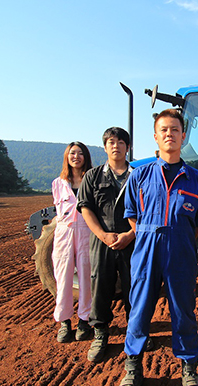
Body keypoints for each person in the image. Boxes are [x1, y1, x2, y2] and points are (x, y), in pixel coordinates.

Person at [115, 109, 198, 386]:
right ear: (155, 136)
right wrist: (150, 235)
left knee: (183, 311)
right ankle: (133, 368)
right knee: (140, 310)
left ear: (183, 136)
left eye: (175, 129)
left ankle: (189, 368)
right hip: (146, 252)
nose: (170, 134)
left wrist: (175, 237)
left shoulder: (196, 179)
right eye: (164, 130)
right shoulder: (139, 176)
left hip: (181, 251)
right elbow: (131, 215)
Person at [77, 127, 148, 363]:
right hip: (102, 242)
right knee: (100, 287)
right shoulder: (93, 176)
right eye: (110, 142)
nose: (115, 146)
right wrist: (102, 235)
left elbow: (147, 211)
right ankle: (100, 333)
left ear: (127, 147)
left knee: (134, 288)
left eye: (120, 142)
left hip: (133, 241)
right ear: (105, 147)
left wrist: (130, 234)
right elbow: (86, 208)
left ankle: (135, 332)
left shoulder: (140, 175)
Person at [51, 141, 94, 343]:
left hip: (86, 231)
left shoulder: (92, 180)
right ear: (67, 157)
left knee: (86, 278)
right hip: (65, 233)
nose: (76, 157)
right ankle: (64, 321)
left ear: (86, 157)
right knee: (63, 279)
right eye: (72, 153)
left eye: (80, 153)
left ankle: (85, 320)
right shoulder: (58, 183)